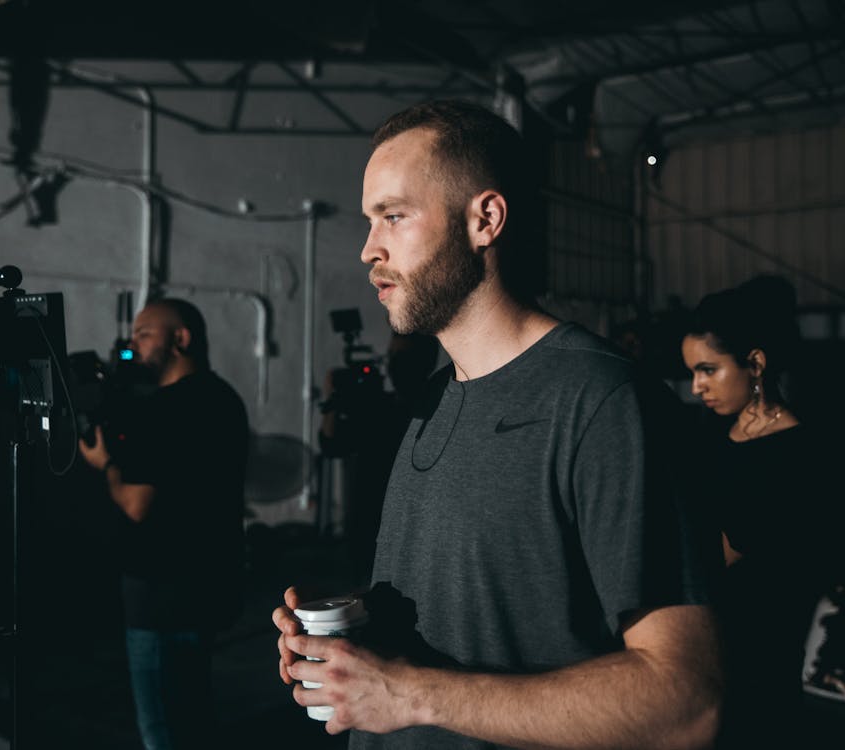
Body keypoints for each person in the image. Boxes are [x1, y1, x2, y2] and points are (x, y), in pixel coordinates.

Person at [273, 99, 723, 749]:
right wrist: (352, 637)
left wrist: (404, 692)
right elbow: (483, 619)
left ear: (484, 219)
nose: (369, 248)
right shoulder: (435, 399)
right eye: (371, 221)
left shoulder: (602, 402)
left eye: (394, 217)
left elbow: (686, 704)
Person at [79, 297, 248, 750]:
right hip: (207, 584)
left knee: (163, 731)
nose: (132, 345)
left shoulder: (166, 409)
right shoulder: (224, 398)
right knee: (194, 714)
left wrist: (105, 462)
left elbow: (136, 502)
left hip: (161, 595)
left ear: (181, 339)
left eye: (144, 334)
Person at [681, 275, 838, 748]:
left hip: (760, 639)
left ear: (755, 364)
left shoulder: (796, 451)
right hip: (707, 632)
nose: (696, 387)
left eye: (708, 370)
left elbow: (727, 552)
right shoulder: (713, 430)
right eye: (692, 372)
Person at [319, 331, 439, 581]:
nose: (393, 363)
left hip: (410, 534)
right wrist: (334, 400)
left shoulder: (436, 411)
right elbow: (331, 444)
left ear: (423, 362)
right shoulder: (375, 406)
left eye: (402, 357)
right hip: (363, 529)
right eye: (391, 355)